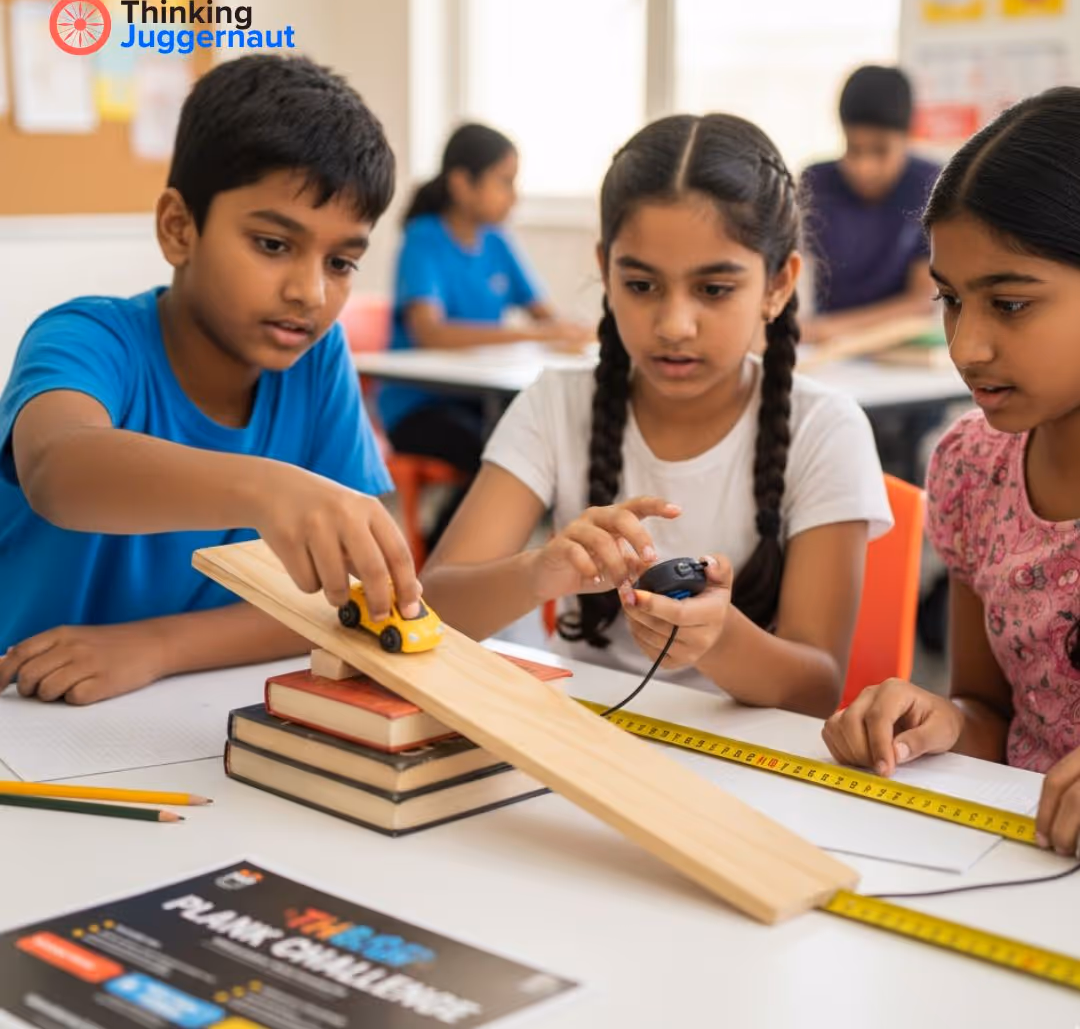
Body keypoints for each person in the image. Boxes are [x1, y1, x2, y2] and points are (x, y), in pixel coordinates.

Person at [421, 113, 892, 717]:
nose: (674, 324)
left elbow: (816, 690)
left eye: (714, 290)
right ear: (606, 270)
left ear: (778, 285)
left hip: (753, 759)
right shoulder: (554, 404)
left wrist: (719, 637)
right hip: (573, 735)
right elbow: (434, 606)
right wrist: (539, 572)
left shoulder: (826, 429)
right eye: (641, 285)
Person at [0, 54, 419, 705]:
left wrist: (158, 645)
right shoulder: (88, 338)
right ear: (178, 227)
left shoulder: (314, 360)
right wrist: (267, 489)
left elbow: (345, 605)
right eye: (273, 244)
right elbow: (58, 470)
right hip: (23, 710)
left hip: (181, 711)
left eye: (340, 262)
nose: (308, 292)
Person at [821, 87, 1080, 857]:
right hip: (1019, 865)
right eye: (949, 300)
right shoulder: (974, 467)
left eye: (1009, 303)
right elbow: (992, 709)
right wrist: (945, 720)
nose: (965, 346)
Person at [378, 124, 592, 551]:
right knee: (497, 453)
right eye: (504, 182)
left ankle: (489, 559)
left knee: (545, 440)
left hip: (478, 402)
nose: (514, 196)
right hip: (417, 408)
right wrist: (534, 335)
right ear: (462, 183)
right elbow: (430, 333)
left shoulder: (498, 241)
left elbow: (545, 315)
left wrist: (571, 330)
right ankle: (445, 559)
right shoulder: (424, 239)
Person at [800, 65, 940, 344]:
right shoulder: (817, 181)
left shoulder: (930, 185)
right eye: (853, 149)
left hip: (897, 347)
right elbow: (794, 272)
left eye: (880, 151)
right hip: (825, 353)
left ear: (907, 137)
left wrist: (827, 330)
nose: (863, 167)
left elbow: (922, 301)